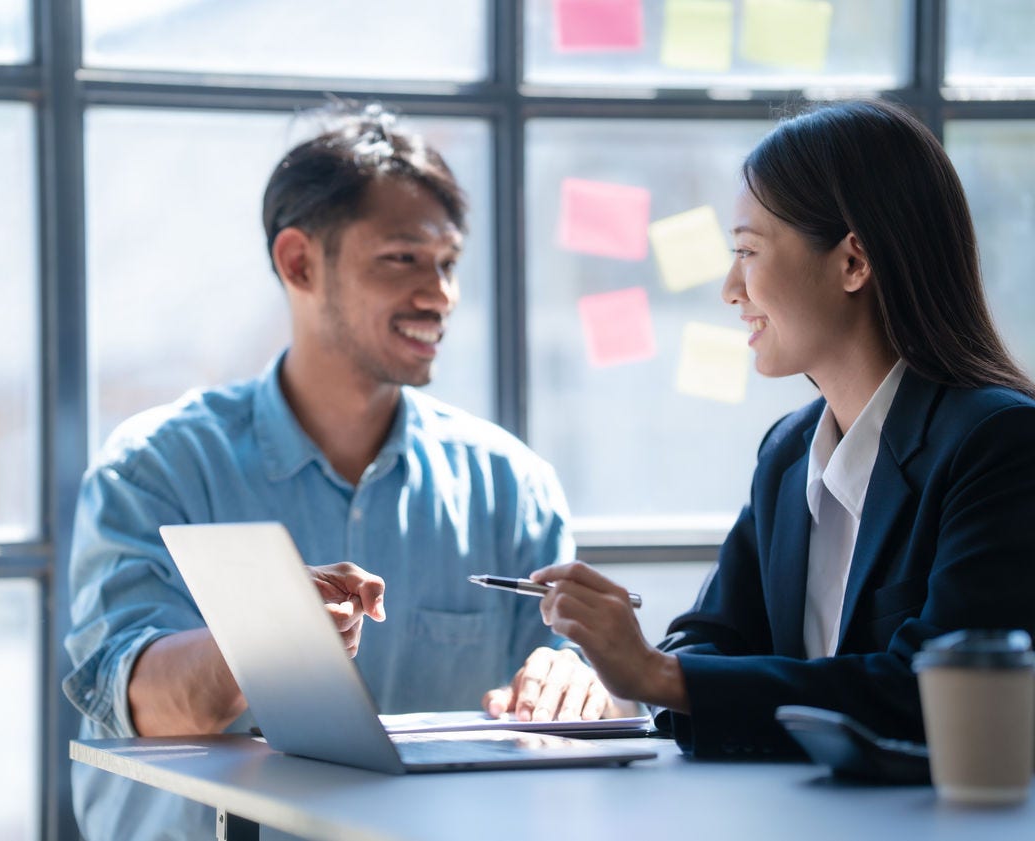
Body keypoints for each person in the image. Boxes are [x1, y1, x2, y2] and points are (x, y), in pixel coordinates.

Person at [61, 102, 621, 841]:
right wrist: (268, 631)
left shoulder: (509, 487)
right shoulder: (153, 468)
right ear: (298, 262)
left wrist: (585, 687)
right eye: (402, 258)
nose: (440, 294)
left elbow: (570, 686)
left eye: (448, 262)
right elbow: (137, 698)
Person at [521, 99, 1035, 757]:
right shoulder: (789, 453)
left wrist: (657, 673)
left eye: (747, 250)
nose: (730, 287)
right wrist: (632, 661)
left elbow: (937, 695)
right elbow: (709, 640)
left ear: (852, 262)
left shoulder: (998, 445)